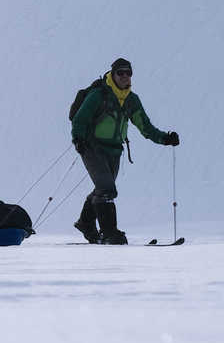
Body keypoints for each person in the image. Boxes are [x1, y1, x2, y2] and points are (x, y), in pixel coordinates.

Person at [70, 57, 178, 244]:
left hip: (114, 151)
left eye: (128, 73)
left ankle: (85, 223)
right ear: (113, 74)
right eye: (120, 72)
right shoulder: (99, 95)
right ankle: (110, 233)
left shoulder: (131, 100)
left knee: (103, 188)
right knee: (107, 189)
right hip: (91, 147)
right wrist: (78, 139)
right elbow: (80, 119)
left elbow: (145, 127)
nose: (125, 76)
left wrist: (165, 139)